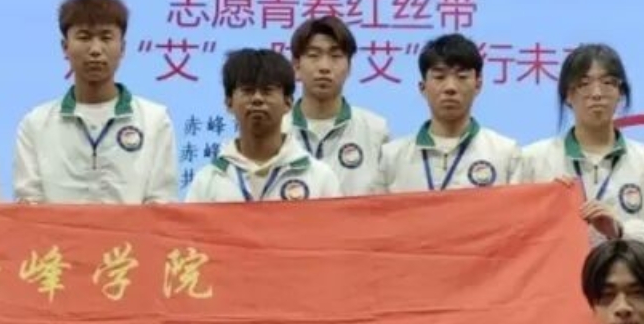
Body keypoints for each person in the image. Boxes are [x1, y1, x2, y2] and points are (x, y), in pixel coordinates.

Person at [519, 43, 644, 268]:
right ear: (568, 94)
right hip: (556, 283)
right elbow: (516, 239)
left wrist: (621, 230)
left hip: (628, 285)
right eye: (584, 84)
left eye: (608, 83)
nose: (597, 93)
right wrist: (549, 208)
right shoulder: (533, 160)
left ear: (620, 93)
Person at [12, 0, 177, 204]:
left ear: (122, 48)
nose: (96, 50)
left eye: (106, 37)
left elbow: (161, 203)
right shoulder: (35, 124)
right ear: (65, 47)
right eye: (84, 37)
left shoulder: (155, 120)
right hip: (56, 229)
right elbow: (29, 205)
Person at [185, 49, 342, 202]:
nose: (257, 99)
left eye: (267, 91)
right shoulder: (207, 181)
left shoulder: (320, 178)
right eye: (247, 90)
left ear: (288, 102)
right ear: (229, 102)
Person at [375, 34, 522, 193]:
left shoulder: (506, 153)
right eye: (439, 77)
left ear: (478, 85)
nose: (450, 87)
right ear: (422, 87)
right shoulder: (392, 156)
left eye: (462, 77)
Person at [282, 16, 391, 196]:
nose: (324, 67)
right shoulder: (276, 130)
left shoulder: (375, 130)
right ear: (296, 66)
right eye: (314, 55)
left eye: (336, 56)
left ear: (349, 67)